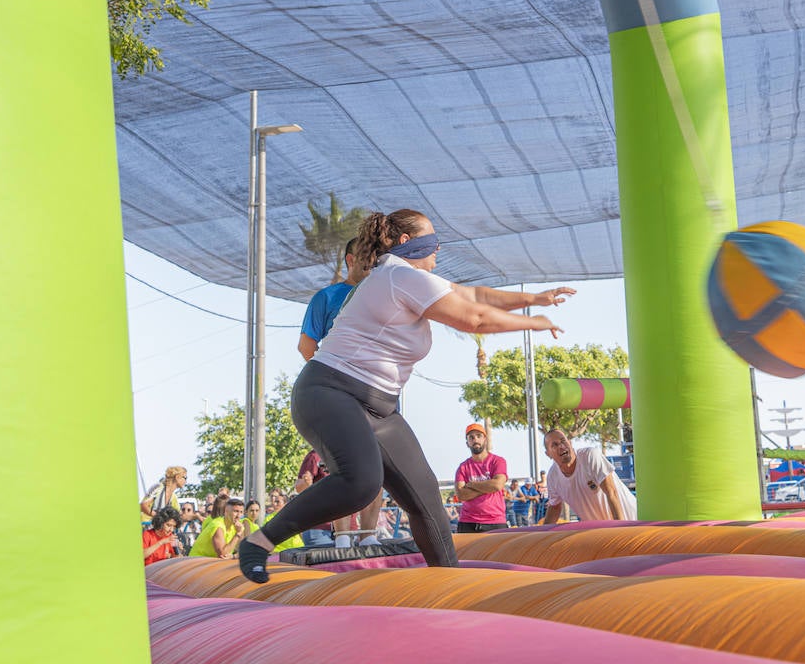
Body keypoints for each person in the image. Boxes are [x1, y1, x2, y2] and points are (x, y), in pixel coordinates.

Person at [237, 208, 574, 582]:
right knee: (361, 481)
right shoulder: (398, 275)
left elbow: (474, 294)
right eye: (431, 240)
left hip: (380, 408)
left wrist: (534, 300)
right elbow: (473, 318)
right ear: (406, 244)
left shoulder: (410, 278)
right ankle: (260, 541)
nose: (438, 248)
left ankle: (451, 585)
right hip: (330, 390)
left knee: (425, 497)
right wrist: (535, 324)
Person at [299, 239, 384, 546]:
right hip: (338, 395)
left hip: (376, 395)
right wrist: (332, 380)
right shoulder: (328, 297)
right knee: (344, 465)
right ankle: (344, 536)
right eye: (366, 257)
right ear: (350, 259)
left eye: (376, 258)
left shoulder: (384, 296)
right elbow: (306, 346)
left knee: (377, 464)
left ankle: (369, 535)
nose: (372, 263)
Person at [540, 429, 636, 523]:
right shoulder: (553, 477)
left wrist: (621, 527)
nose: (561, 446)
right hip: (603, 531)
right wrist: (543, 535)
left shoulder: (590, 457)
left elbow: (611, 492)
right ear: (548, 454)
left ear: (570, 443)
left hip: (631, 520)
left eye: (563, 441)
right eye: (555, 445)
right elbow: (554, 507)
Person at [455, 423, 508, 533]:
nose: (475, 439)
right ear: (467, 443)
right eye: (471, 437)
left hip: (495, 522)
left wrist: (471, 485)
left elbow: (497, 485)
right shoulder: (463, 467)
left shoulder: (498, 461)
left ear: (485, 439)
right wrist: (487, 487)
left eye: (479, 436)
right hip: (468, 523)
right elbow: (461, 495)